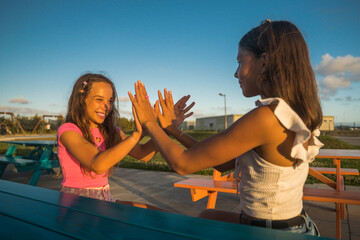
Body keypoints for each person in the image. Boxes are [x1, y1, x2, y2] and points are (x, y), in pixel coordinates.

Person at [129, 20, 323, 235]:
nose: (235, 73)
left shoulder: (266, 118)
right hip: (292, 224)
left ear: (265, 61)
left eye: (240, 61)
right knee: (207, 216)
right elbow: (223, 162)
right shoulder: (291, 113)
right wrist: (172, 129)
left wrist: (149, 122)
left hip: (273, 233)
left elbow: (183, 164)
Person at [57, 73, 194, 210]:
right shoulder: (68, 131)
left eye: (110, 101)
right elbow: (97, 164)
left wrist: (167, 128)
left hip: (104, 200)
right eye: (99, 99)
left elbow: (144, 154)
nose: (106, 107)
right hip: (75, 204)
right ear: (81, 100)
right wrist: (138, 133)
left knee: (158, 214)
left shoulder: (111, 131)